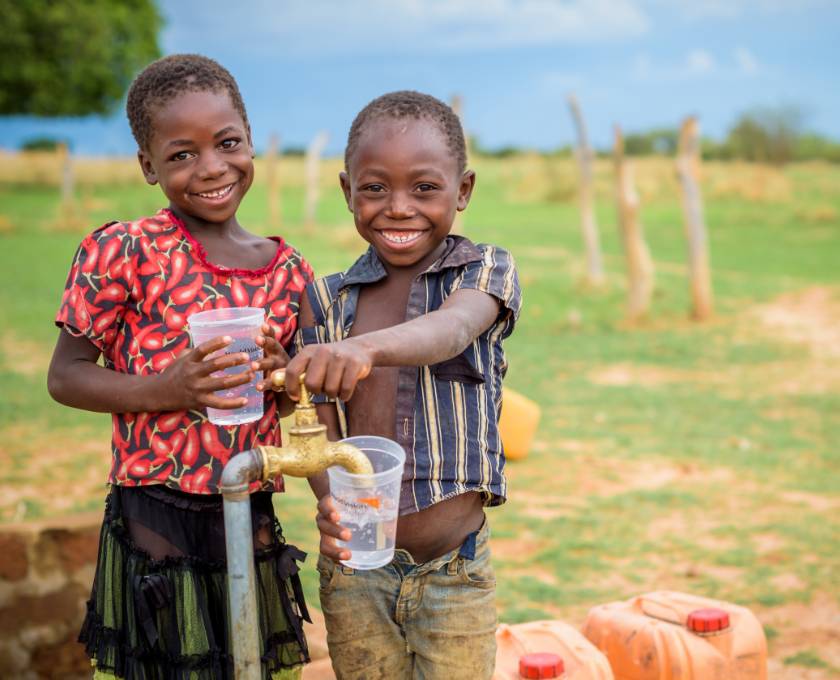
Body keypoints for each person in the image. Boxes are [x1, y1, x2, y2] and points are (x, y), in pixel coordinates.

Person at [47, 54, 312, 680]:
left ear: (249, 139)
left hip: (248, 505)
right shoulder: (125, 251)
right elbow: (66, 375)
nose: (212, 168)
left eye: (227, 144)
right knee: (168, 664)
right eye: (182, 155)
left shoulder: (287, 271)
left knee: (252, 664)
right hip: (154, 514)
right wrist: (166, 388)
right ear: (148, 167)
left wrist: (282, 372)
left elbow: (300, 395)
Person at [279, 91, 521, 679]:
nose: (398, 208)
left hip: (453, 570)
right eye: (375, 188)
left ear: (462, 191)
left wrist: (360, 349)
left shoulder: (483, 271)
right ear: (347, 192)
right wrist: (329, 506)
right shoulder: (326, 301)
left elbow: (451, 330)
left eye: (424, 188)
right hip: (355, 572)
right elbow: (321, 438)